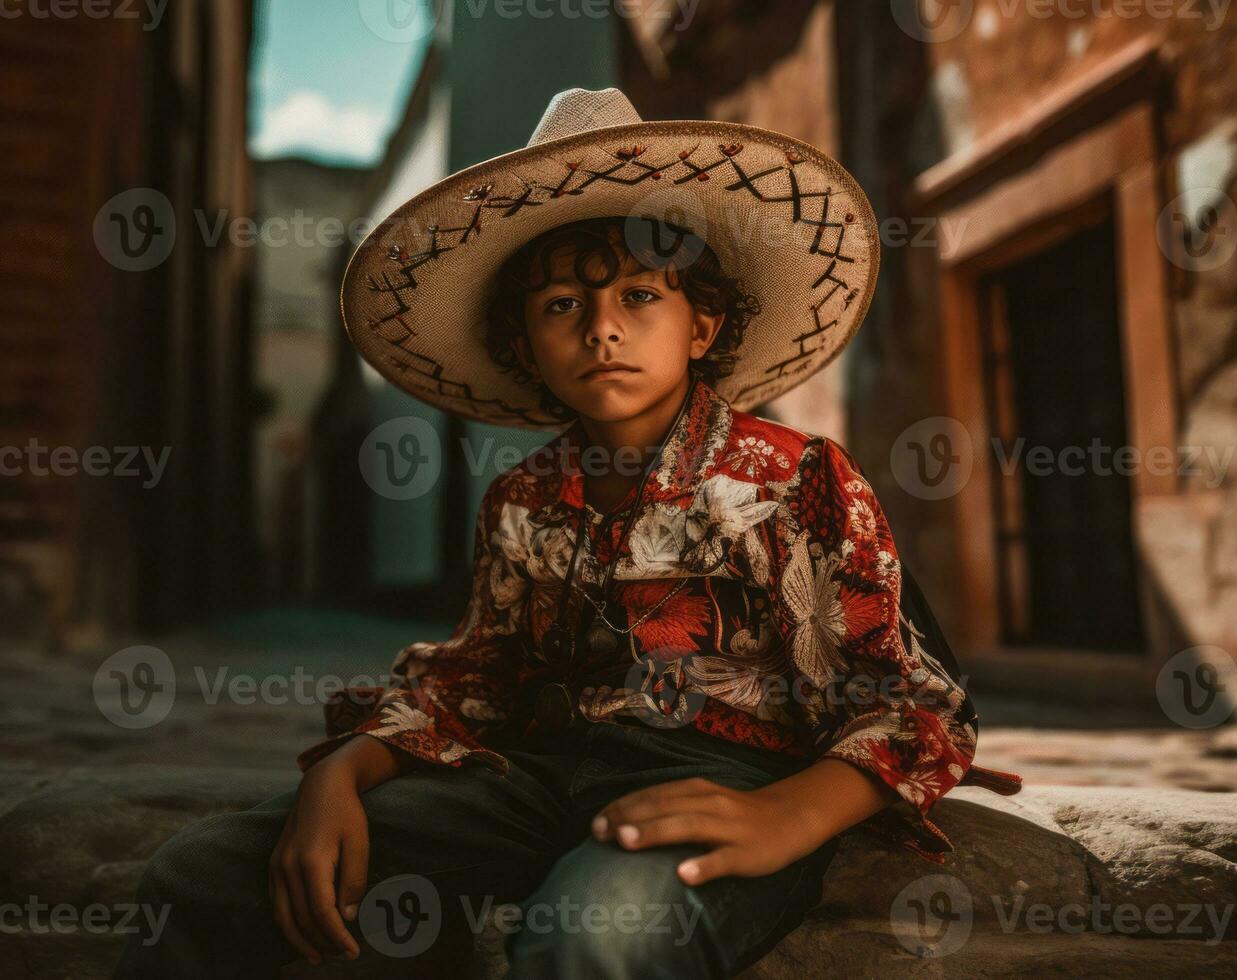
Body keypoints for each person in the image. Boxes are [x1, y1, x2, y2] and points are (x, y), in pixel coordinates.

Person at [115, 87, 1021, 979]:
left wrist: (792, 814)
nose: (601, 330)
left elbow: (913, 705)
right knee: (197, 875)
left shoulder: (792, 476)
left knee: (591, 938)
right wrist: (343, 772)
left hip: (724, 776)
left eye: (639, 297)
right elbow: (481, 676)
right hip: (533, 779)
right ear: (525, 344)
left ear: (701, 324)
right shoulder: (523, 498)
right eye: (560, 307)